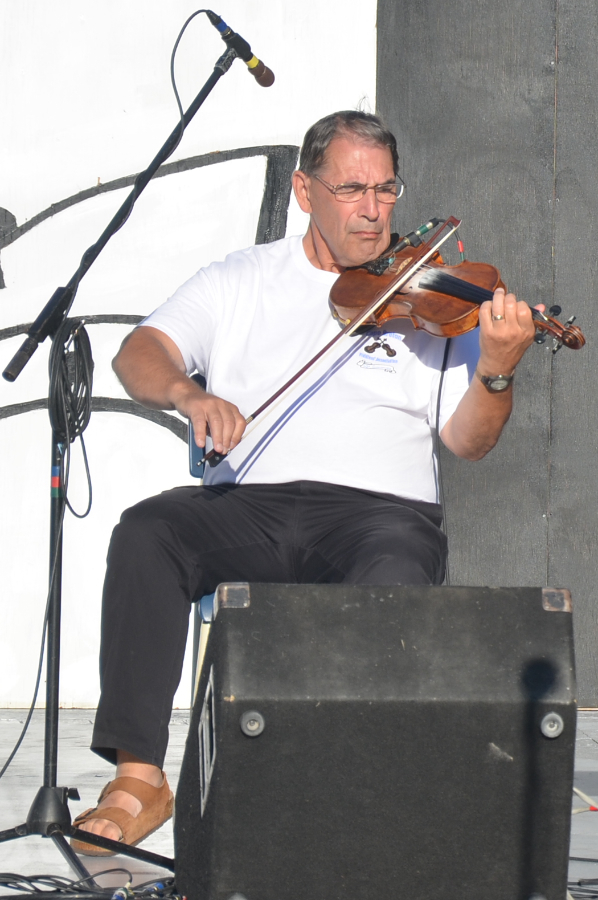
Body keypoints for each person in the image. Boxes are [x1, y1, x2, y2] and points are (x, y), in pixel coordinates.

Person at [71, 111, 539, 855]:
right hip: (245, 506)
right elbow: (141, 351)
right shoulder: (241, 277)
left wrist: (498, 367)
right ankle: (139, 777)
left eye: (386, 189)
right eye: (352, 188)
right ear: (303, 190)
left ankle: (357, 790)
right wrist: (190, 396)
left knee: (395, 568)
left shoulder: (438, 299)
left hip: (381, 515)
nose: (374, 209)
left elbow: (470, 441)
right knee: (149, 530)